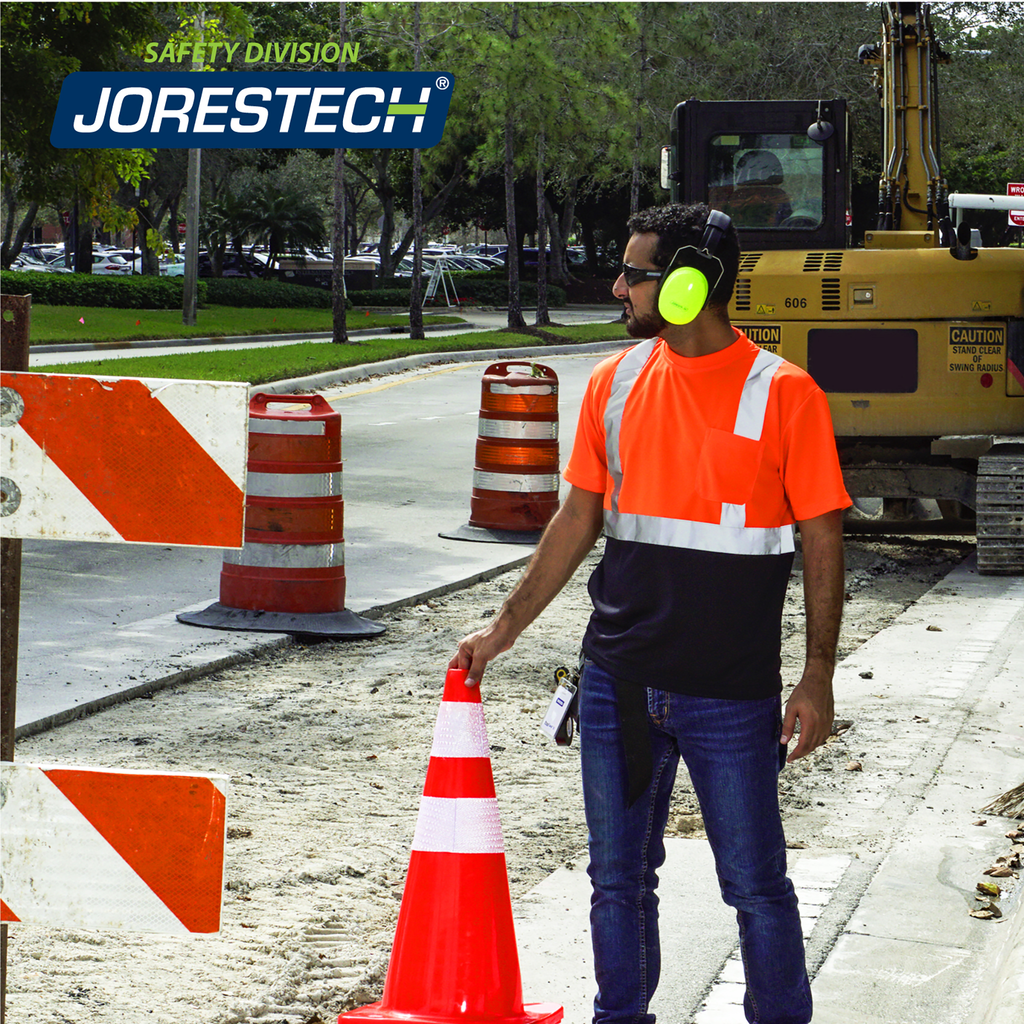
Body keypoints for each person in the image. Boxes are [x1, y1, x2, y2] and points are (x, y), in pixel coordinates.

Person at [451, 202, 850, 1024]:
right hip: (619, 685)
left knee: (756, 885)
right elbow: (575, 521)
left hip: (732, 696)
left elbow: (822, 542)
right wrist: (503, 629)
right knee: (618, 882)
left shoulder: (786, 397)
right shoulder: (615, 383)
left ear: (688, 283)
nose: (618, 286)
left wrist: (817, 676)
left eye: (635, 272)